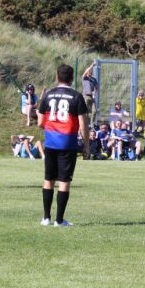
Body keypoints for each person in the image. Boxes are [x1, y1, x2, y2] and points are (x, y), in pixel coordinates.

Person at [37, 64, 89, 227]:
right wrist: (86, 145)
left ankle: (46, 218)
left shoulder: (48, 95)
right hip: (67, 143)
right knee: (64, 180)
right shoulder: (77, 96)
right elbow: (83, 125)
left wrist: (53, 127)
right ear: (72, 78)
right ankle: (59, 220)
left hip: (50, 142)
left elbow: (40, 122)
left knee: (48, 179)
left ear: (57, 76)